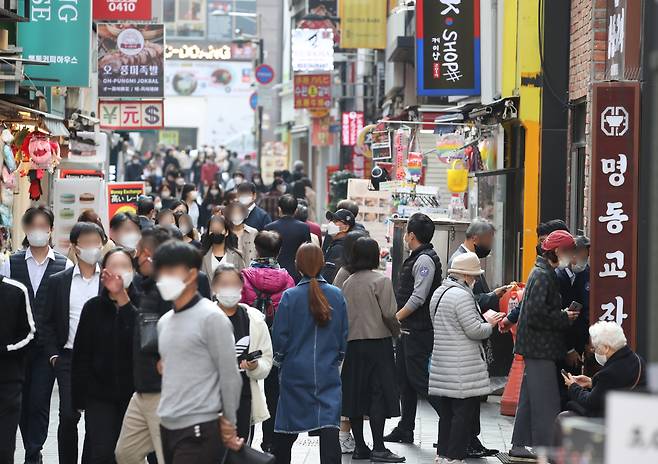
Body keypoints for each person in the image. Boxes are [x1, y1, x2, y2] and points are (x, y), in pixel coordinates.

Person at [154, 240, 243, 463]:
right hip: (168, 423)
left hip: (200, 427)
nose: (164, 277)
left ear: (192, 274)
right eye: (161, 271)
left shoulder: (212, 318)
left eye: (171, 270)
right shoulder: (164, 321)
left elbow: (229, 375)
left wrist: (229, 423)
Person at [0, 206, 71, 464]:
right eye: (33, 226)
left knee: (39, 401)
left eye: (43, 226)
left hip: (46, 348)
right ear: (26, 230)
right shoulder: (11, 263)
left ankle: (33, 452)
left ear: (51, 229)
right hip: (18, 349)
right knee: (20, 402)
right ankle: (31, 444)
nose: (38, 231)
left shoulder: (64, 264)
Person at [271, 243, 348, 464]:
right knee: (328, 429)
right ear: (323, 264)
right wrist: (338, 357)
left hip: (294, 373)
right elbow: (343, 335)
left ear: (298, 265)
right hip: (327, 371)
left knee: (286, 433)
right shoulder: (337, 295)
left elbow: (280, 337)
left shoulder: (289, 297)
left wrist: (279, 360)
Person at [509, 230, 580, 458]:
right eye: (570, 251)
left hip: (535, 347)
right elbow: (536, 315)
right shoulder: (542, 275)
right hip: (540, 349)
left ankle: (520, 444)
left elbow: (535, 312)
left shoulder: (541, 272)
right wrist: (563, 317)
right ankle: (545, 448)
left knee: (530, 400)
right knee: (546, 401)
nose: (573, 256)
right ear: (558, 251)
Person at [429, 252, 504, 463]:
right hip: (464, 366)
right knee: (463, 414)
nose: (475, 280)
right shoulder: (462, 296)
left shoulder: (440, 292)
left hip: (443, 362)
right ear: (464, 275)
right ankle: (455, 456)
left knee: (447, 413)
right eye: (474, 276)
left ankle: (443, 454)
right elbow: (474, 330)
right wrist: (490, 323)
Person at [41, 222, 106, 464]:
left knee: (96, 420)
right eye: (87, 242)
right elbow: (46, 321)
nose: (92, 247)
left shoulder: (110, 281)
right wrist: (53, 356)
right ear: (76, 247)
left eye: (96, 242)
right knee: (68, 416)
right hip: (68, 358)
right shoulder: (59, 280)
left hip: (101, 360)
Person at [337, 238, 403, 463]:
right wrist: (397, 332)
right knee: (378, 395)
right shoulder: (380, 281)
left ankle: (360, 447)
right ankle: (379, 447)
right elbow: (389, 313)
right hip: (378, 344)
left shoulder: (348, 281)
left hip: (353, 345)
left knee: (355, 394)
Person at [72, 248, 138, 463]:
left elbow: (141, 339)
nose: (119, 273)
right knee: (101, 451)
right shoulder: (93, 308)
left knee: (128, 454)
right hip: (99, 394)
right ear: (105, 272)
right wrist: (79, 397)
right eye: (114, 267)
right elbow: (81, 353)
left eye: (125, 267)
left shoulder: (143, 305)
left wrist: (123, 298)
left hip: (135, 395)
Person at [448, 219, 508, 458]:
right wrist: (492, 296)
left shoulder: (469, 260)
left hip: (473, 335)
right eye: (489, 240)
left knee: (472, 397)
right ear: (476, 239)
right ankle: (467, 441)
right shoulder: (460, 262)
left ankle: (471, 440)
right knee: (468, 398)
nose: (490, 244)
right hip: (468, 340)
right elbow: (470, 302)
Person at [385, 213, 442, 444]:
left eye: (407, 233)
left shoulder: (424, 260)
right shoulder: (418, 256)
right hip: (409, 330)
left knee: (419, 380)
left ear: (412, 235)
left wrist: (395, 319)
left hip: (418, 331)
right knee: (405, 381)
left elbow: (418, 297)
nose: (406, 237)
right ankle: (405, 428)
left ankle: (454, 422)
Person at [240, 230, 295, 452]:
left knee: (248, 389)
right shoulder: (288, 279)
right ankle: (270, 440)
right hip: (277, 342)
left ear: (256, 248)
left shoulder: (244, 276)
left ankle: (247, 442)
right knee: (274, 391)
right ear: (279, 251)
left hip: (249, 342)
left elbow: (240, 306)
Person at [211, 264, 273, 441]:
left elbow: (266, 359)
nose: (229, 289)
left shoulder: (253, 319)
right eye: (224, 284)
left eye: (233, 284)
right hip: (211, 397)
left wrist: (255, 366)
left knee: (241, 449)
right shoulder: (204, 318)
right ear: (214, 287)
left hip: (243, 395)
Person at [562, 322, 645, 417]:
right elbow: (615, 384)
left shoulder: (609, 372)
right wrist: (590, 382)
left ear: (606, 348)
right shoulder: (637, 359)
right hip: (635, 410)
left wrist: (573, 386)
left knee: (568, 409)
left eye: (595, 348)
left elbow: (590, 402)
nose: (592, 351)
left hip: (614, 416)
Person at [0, 274, 34, 464]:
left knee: (4, 450)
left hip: (8, 384)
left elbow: (29, 335)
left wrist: (5, 350)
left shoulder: (16, 290)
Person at [556, 235, 591, 372]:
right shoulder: (560, 276)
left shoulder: (587, 273)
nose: (580, 255)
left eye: (584, 251)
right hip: (565, 341)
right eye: (576, 251)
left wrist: (588, 341)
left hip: (581, 339)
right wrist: (569, 348)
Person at [265, 195, 312, 283]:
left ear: (279, 209)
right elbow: (307, 251)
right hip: (297, 274)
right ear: (296, 211)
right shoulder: (304, 228)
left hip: (273, 273)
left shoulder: (269, 228)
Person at [201, 215, 246, 284]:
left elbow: (243, 281)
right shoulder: (201, 257)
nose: (216, 232)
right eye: (213, 229)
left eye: (219, 229)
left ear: (226, 232)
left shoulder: (237, 256)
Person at [321, 209, 356, 284]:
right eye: (331, 220)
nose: (331, 223)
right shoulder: (340, 244)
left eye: (335, 221)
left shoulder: (338, 248)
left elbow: (328, 276)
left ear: (346, 227)